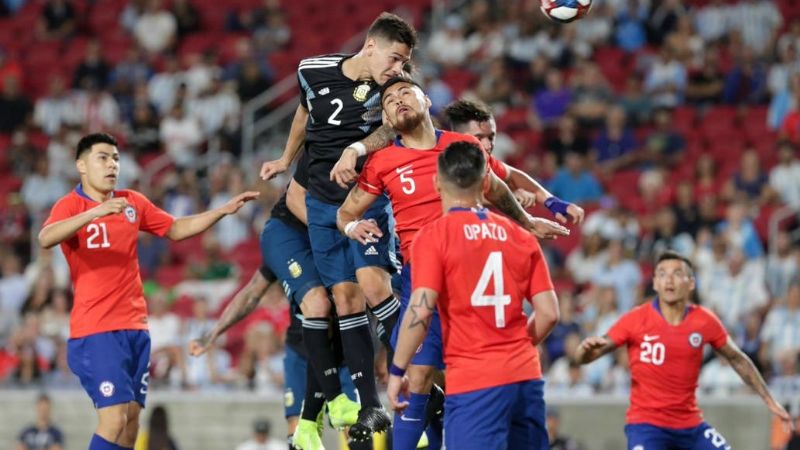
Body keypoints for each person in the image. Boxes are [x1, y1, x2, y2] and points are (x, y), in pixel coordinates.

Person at [337, 76, 568, 449]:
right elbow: (346, 212)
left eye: (404, 92)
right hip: (422, 269)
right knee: (422, 373)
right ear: (386, 119)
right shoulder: (384, 161)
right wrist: (352, 228)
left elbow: (498, 184)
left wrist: (527, 220)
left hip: (468, 267)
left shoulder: (462, 147)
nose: (396, 100)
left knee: (449, 373)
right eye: (388, 100)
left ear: (426, 99)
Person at [38, 132, 258, 450]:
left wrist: (221, 211)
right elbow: (45, 237)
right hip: (97, 330)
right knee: (113, 421)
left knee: (130, 427)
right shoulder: (71, 205)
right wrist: (94, 212)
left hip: (136, 330)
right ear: (81, 165)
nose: (112, 164)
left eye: (115, 158)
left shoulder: (132, 202)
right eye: (102, 157)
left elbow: (176, 228)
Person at [259, 12, 418, 438]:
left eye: (404, 62)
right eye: (395, 57)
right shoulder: (311, 69)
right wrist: (285, 160)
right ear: (371, 45)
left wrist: (357, 147)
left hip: (365, 198)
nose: (398, 68)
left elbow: (391, 128)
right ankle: (369, 407)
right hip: (321, 204)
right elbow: (302, 115)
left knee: (372, 286)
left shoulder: (393, 88)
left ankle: (420, 386)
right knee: (345, 300)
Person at [386, 141, 560, 450]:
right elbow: (548, 313)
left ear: (437, 182)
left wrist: (398, 370)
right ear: (486, 182)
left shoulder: (434, 236)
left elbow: (421, 309)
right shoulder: (520, 236)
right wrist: (515, 350)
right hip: (526, 377)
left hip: (474, 380)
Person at [189, 153, 364, 450]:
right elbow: (251, 293)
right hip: (300, 349)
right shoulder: (287, 247)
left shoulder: (347, 239)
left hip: (341, 353)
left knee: (357, 434)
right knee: (299, 434)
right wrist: (213, 332)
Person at [575, 250, 794, 449]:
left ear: (690, 283)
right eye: (662, 274)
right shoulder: (635, 320)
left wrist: (770, 401)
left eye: (677, 273)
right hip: (646, 426)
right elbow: (587, 356)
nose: (669, 279)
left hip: (690, 426)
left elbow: (738, 359)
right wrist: (584, 351)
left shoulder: (704, 321)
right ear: (655, 284)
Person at [441, 99, 586, 224]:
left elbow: (512, 174)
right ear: (457, 137)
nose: (487, 145)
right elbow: (455, 195)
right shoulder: (437, 160)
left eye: (491, 137)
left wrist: (551, 201)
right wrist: (508, 196)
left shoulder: (479, 160)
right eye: (478, 138)